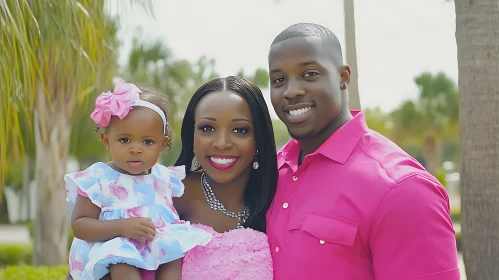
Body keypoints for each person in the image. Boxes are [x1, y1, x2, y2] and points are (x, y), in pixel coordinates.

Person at [266, 23, 460, 280]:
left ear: (344, 77)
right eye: (279, 79)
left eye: (310, 74)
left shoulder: (402, 189)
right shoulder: (269, 174)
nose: (291, 91)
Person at [65, 81, 212, 280]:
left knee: (174, 251)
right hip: (112, 250)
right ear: (107, 141)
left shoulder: (165, 178)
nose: (136, 148)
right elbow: (80, 225)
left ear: (162, 143)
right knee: (121, 260)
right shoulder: (99, 179)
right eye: (125, 140)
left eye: (148, 141)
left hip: (152, 244)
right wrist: (122, 227)